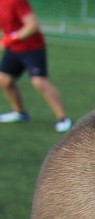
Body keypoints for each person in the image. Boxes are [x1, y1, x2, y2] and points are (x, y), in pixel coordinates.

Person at [0, 0, 71, 132]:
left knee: (39, 81)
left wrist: (9, 40)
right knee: (4, 79)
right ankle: (19, 112)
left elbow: (32, 25)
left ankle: (63, 118)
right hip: (13, 49)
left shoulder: (15, 1)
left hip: (32, 48)